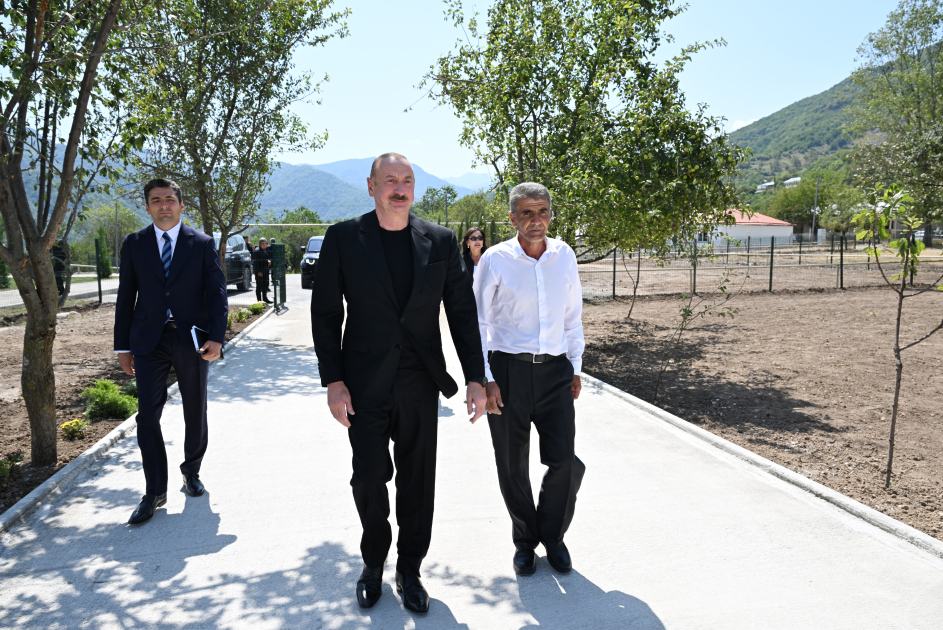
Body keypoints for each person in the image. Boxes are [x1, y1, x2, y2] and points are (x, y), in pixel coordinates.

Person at [310, 152, 488, 614]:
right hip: (363, 382)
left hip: (418, 381)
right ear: (371, 187)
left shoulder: (440, 240)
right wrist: (333, 380)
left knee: (417, 481)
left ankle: (410, 569)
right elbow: (326, 314)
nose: (399, 188)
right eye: (389, 180)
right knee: (369, 476)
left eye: (406, 180)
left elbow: (461, 313)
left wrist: (475, 377)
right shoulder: (344, 238)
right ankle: (373, 562)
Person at [473, 182, 585, 577]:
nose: (536, 220)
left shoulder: (564, 255)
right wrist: (485, 378)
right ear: (513, 218)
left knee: (565, 461)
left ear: (550, 215)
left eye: (542, 212)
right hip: (508, 374)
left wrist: (575, 365)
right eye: (526, 213)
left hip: (556, 371)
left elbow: (572, 315)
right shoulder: (495, 259)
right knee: (511, 464)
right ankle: (525, 541)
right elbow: (478, 323)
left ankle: (553, 536)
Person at [114, 178, 228, 526]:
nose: (163, 205)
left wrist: (217, 338)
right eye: (156, 200)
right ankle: (154, 491)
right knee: (147, 415)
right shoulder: (134, 244)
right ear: (147, 207)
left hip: (191, 339)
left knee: (195, 408)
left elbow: (217, 294)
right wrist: (123, 346)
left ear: (181, 205)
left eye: (169, 199)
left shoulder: (202, 243)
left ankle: (191, 471)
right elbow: (125, 296)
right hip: (149, 341)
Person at [253, 237, 272, 303]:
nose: (267, 244)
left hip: (265, 271)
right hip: (260, 272)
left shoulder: (264, 250)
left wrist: (267, 261)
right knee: (259, 286)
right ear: (262, 243)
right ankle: (259, 301)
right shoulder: (257, 251)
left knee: (265, 285)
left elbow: (264, 258)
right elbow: (256, 262)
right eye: (266, 243)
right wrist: (258, 271)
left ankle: (265, 299)